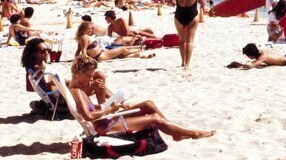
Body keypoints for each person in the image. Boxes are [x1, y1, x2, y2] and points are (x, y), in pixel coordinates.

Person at [69, 55, 214, 140]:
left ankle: (175, 132)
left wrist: (110, 102)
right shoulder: (77, 91)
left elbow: (92, 109)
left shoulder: (80, 87)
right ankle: (192, 133)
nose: (90, 79)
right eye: (89, 76)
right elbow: (88, 116)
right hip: (104, 127)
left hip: (105, 120)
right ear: (79, 74)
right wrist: (111, 108)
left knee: (148, 105)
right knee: (155, 118)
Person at [173, 0, 206, 70]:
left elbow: (171, 2)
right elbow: (203, 3)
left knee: (181, 40)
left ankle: (183, 62)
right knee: (190, 41)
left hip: (179, 14)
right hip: (192, 15)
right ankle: (187, 65)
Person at [75, 19, 143, 62]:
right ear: (83, 29)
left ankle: (134, 55)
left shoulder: (81, 38)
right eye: (88, 28)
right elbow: (83, 51)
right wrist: (86, 61)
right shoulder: (85, 37)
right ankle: (135, 52)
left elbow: (78, 52)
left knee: (119, 54)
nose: (90, 30)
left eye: (91, 28)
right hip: (101, 55)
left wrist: (75, 60)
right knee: (122, 49)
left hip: (99, 55)